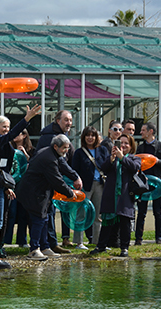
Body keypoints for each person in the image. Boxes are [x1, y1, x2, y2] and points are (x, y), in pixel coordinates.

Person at [0, 105, 42, 269]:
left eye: (8, 126)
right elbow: (10, 136)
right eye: (4, 126)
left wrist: (8, 186)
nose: (7, 130)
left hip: (0, 187)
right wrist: (26, 119)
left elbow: (4, 170)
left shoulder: (6, 144)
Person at [15, 134, 78, 261]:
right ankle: (34, 249)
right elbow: (57, 181)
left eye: (68, 148)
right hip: (33, 192)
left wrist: (75, 176)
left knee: (44, 219)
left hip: (39, 191)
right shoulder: (49, 159)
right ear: (56, 146)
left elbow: (62, 167)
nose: (67, 150)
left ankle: (44, 247)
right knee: (38, 219)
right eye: (64, 148)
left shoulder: (52, 153)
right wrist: (71, 194)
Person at [35, 110, 82, 253]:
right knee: (46, 214)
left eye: (70, 120)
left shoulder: (61, 136)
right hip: (45, 182)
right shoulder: (49, 137)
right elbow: (60, 162)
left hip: (54, 180)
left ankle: (51, 243)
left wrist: (74, 176)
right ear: (57, 121)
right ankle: (46, 245)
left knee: (50, 213)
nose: (69, 123)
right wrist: (75, 177)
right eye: (66, 120)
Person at [91, 134, 141, 257]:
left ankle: (124, 248)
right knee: (107, 221)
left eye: (126, 143)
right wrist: (112, 159)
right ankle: (101, 246)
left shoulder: (134, 158)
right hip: (111, 194)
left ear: (131, 146)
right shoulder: (112, 158)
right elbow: (103, 168)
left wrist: (122, 157)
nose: (123, 145)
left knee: (125, 221)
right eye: (121, 143)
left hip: (125, 195)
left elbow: (134, 168)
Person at [71, 126, 108, 249]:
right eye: (88, 135)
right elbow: (74, 170)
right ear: (84, 137)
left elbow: (107, 166)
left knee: (98, 215)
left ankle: (97, 242)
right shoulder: (79, 152)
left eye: (93, 135)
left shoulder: (102, 150)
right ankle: (79, 242)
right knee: (81, 213)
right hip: (85, 186)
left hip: (100, 185)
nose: (90, 138)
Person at [136, 122, 161, 245]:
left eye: (143, 130)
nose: (141, 132)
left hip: (158, 183)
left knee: (157, 211)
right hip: (143, 183)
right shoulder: (140, 148)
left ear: (151, 131)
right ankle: (138, 239)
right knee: (141, 211)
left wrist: (157, 161)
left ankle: (159, 238)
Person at [4, 129, 34, 248]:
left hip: (24, 186)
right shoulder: (8, 148)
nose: (15, 136)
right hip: (11, 184)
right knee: (11, 212)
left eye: (18, 133)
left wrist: (26, 156)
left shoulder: (32, 150)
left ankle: (22, 240)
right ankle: (7, 240)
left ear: (24, 136)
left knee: (23, 214)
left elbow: (34, 165)